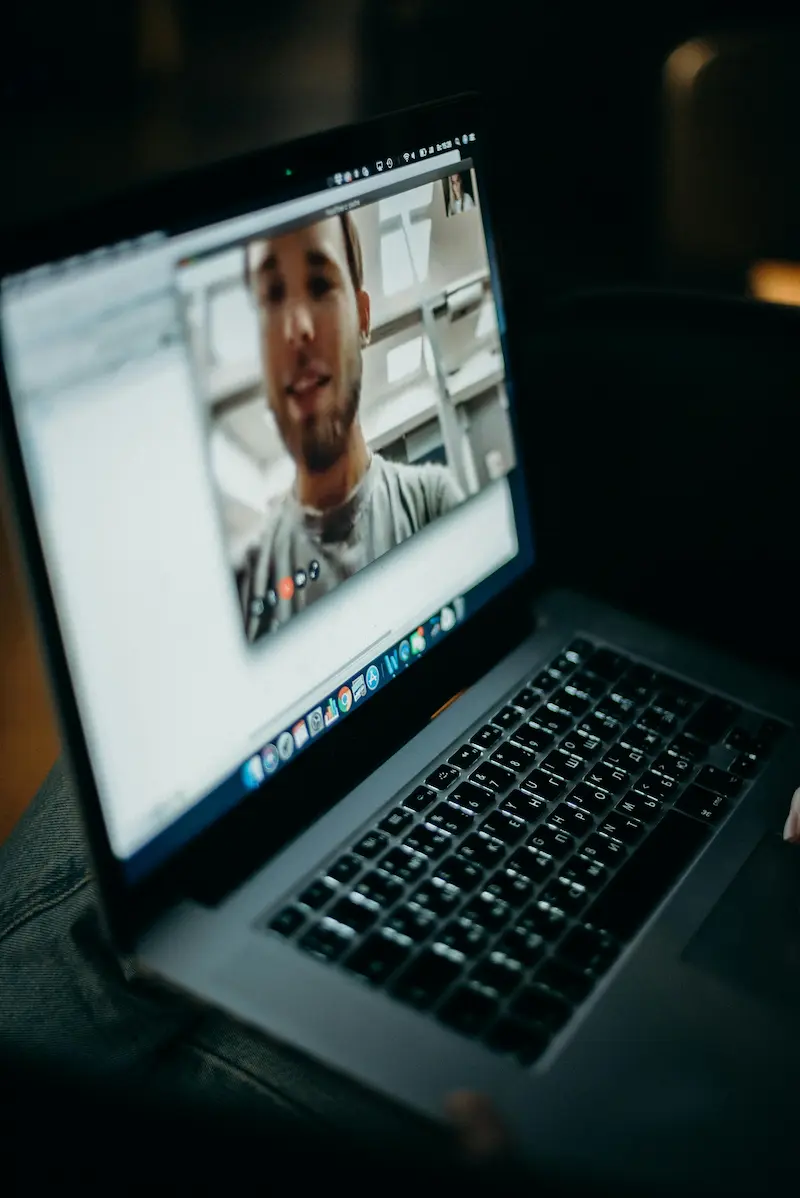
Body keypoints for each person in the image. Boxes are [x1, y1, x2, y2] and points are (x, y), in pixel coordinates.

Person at [241, 213, 464, 642]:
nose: (297, 330)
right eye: (272, 295)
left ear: (363, 318)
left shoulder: (432, 504)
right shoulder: (247, 584)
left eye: (321, 285)